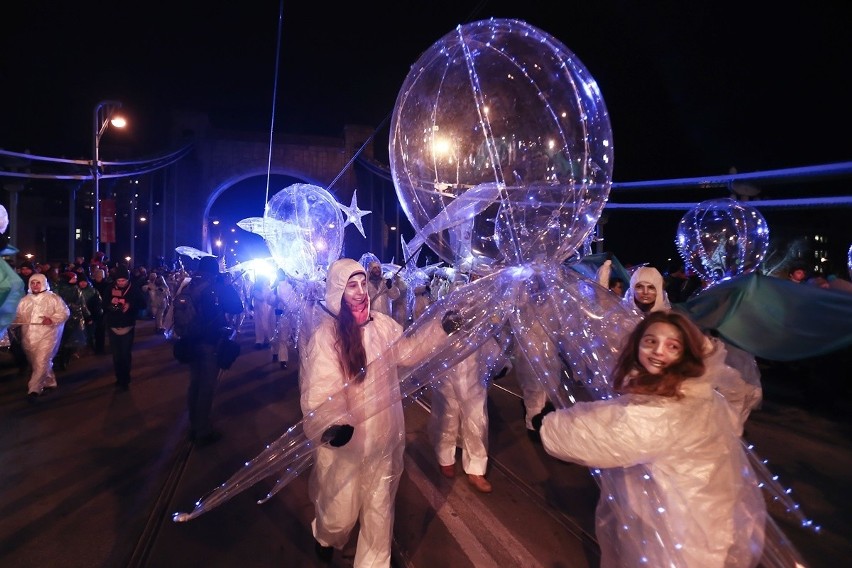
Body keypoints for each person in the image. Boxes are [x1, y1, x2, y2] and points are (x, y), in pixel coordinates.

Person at [537, 311, 766, 567]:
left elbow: (600, 438)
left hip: (676, 534)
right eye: (650, 341)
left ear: (686, 353)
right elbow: (622, 413)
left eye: (672, 346)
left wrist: (548, 423)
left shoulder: (666, 412)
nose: (658, 351)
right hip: (706, 523)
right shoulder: (700, 392)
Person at [300, 258, 452, 566]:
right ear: (337, 293)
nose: (359, 292)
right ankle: (326, 535)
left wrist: (442, 328)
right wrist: (333, 422)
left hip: (384, 440)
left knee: (379, 512)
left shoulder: (383, 326)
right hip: (346, 445)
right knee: (339, 514)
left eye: (362, 285)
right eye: (350, 286)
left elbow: (409, 351)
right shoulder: (326, 337)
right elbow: (320, 389)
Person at [183, 256, 244, 445]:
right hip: (210, 342)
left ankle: (194, 425)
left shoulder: (188, 285)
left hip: (190, 341)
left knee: (195, 383)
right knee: (207, 386)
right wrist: (227, 285)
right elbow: (237, 307)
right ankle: (202, 431)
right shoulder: (217, 286)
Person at [13, 273, 70, 402]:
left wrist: (52, 319)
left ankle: (34, 389)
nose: (35, 285)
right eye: (32, 283)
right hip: (28, 337)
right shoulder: (24, 300)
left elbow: (64, 312)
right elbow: (18, 318)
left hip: (48, 335)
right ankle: (50, 382)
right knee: (37, 362)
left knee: (41, 361)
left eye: (38, 283)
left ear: (43, 283)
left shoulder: (53, 298)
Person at [103, 265, 146, 391]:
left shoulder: (134, 289)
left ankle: (125, 380)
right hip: (113, 325)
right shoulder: (110, 288)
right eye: (119, 281)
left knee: (125, 354)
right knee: (116, 355)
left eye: (124, 281)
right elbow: (104, 304)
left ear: (128, 280)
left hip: (127, 325)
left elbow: (143, 304)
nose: (121, 283)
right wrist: (112, 305)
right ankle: (119, 377)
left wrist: (130, 305)